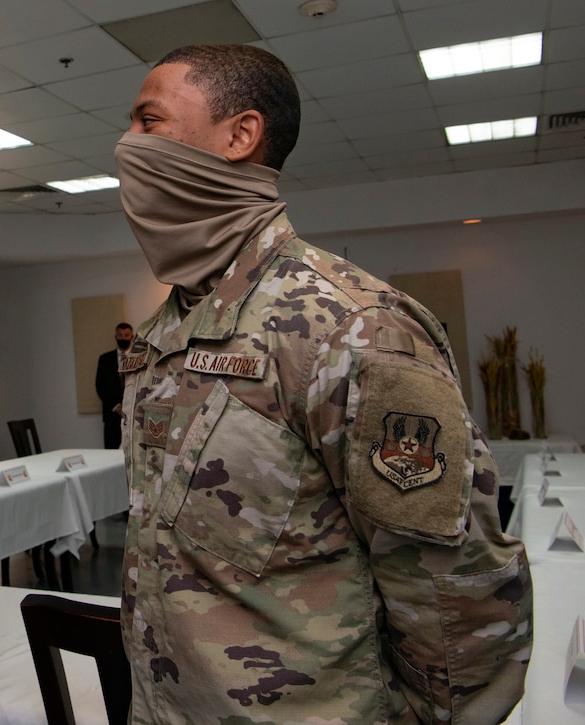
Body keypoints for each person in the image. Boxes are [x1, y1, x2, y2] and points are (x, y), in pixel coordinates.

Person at [113, 45, 532, 724]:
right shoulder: (162, 334)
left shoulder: (351, 327)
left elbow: (456, 596)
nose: (126, 145)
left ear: (241, 136)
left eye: (148, 121)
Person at [95, 322, 133, 449]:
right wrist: (116, 407)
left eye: (126, 335)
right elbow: (100, 386)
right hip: (111, 417)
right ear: (115, 337)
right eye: (120, 335)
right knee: (110, 455)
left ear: (131, 337)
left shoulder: (139, 358)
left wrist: (128, 406)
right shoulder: (105, 359)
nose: (123, 338)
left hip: (133, 416)